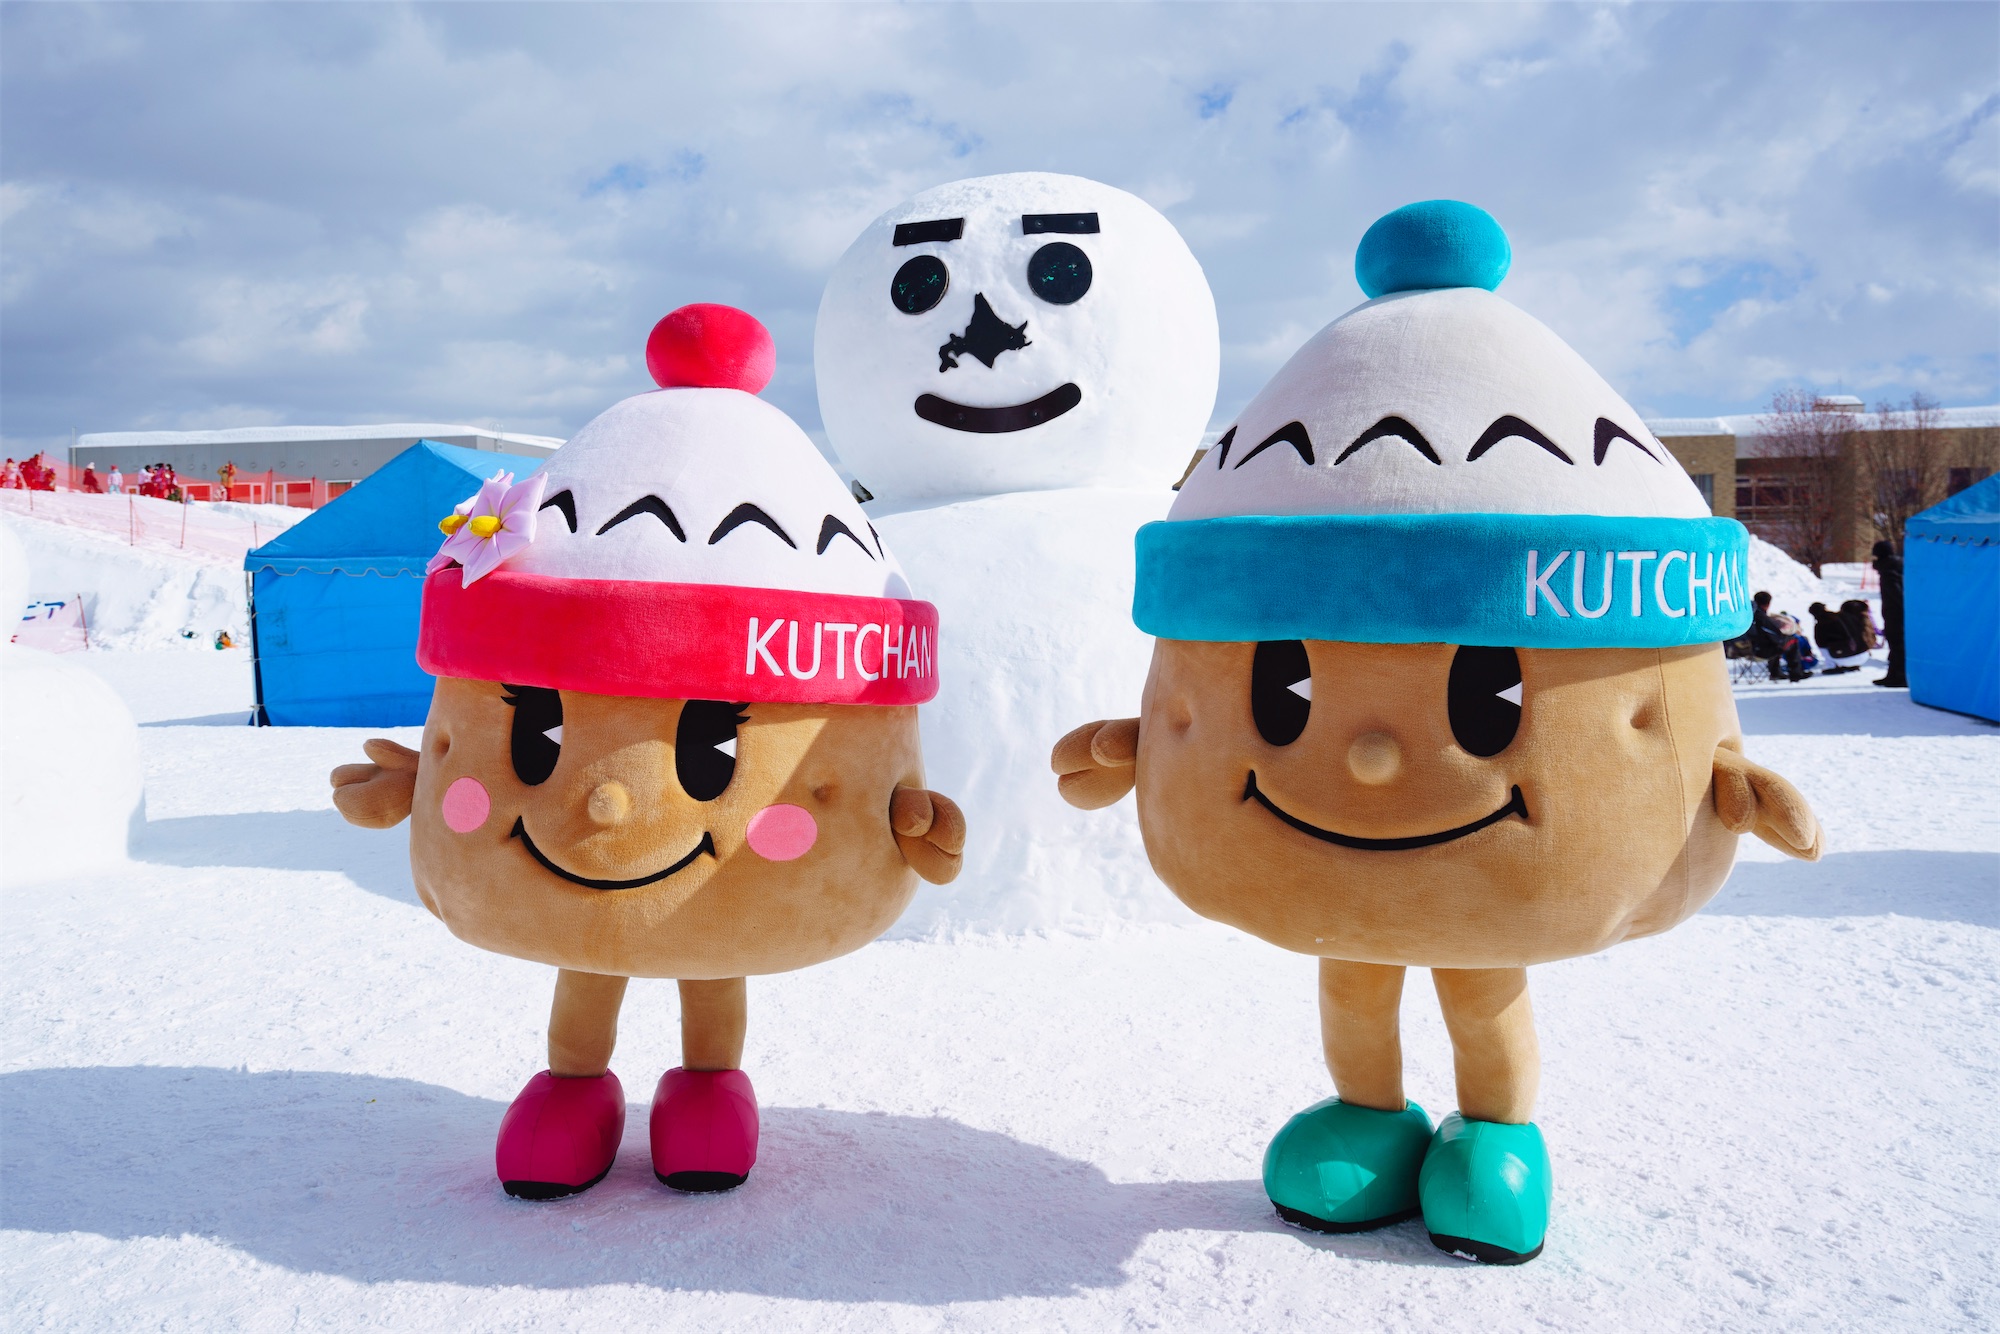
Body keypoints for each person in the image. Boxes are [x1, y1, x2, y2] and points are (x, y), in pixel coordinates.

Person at [1750, 590, 1811, 682]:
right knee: (1792, 641)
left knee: (1774, 643)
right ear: (1768, 604)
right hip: (1760, 651)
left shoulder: (1748, 615)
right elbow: (1776, 636)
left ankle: (1775, 672)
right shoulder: (1761, 617)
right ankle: (1796, 674)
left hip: (1746, 649)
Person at [1872, 540, 1906, 688]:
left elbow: (1897, 595)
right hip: (1894, 612)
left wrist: (1896, 611)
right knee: (1895, 644)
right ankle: (1893, 675)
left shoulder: (1888, 571)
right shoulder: (1893, 567)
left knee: (1897, 644)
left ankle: (1899, 677)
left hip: (1895, 614)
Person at [1808, 601, 1863, 674]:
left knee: (1822, 646)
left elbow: (1821, 644)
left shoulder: (1820, 625)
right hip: (1862, 654)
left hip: (1844, 657)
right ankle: (1851, 664)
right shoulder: (1843, 615)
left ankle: (1832, 666)